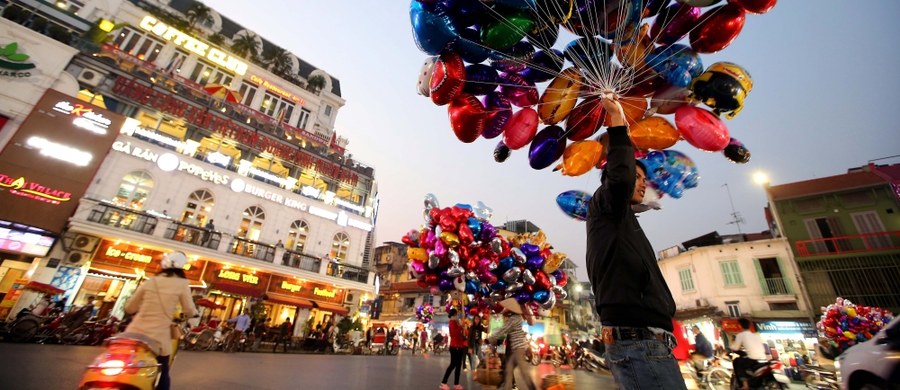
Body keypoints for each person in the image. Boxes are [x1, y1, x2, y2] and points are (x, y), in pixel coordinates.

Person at [584, 95, 684, 390]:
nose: (643, 183)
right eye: (638, 177)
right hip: (639, 343)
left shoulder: (621, 219)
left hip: (646, 342)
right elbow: (621, 177)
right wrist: (617, 121)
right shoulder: (606, 203)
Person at [123, 252, 198, 390]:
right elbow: (189, 309)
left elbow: (129, 307)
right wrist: (194, 313)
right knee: (163, 371)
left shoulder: (151, 281)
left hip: (133, 333)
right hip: (157, 336)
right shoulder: (182, 284)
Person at [488, 298, 536, 390]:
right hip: (516, 349)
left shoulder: (514, 319)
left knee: (524, 373)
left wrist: (490, 338)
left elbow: (503, 330)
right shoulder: (517, 318)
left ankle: (533, 388)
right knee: (509, 370)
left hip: (518, 349)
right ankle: (507, 387)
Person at [731, 318, 767, 390]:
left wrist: (729, 347)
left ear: (740, 326)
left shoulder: (741, 335)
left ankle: (745, 385)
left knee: (738, 362)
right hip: (763, 358)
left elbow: (735, 348)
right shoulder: (756, 335)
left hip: (752, 359)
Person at [439, 307, 468, 390]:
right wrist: (460, 326)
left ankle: (456, 383)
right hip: (455, 347)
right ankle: (443, 383)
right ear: (453, 315)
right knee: (452, 365)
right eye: (456, 315)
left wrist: (463, 328)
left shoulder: (457, 322)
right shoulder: (452, 322)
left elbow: (461, 334)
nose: (457, 316)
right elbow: (454, 334)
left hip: (460, 346)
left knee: (458, 366)